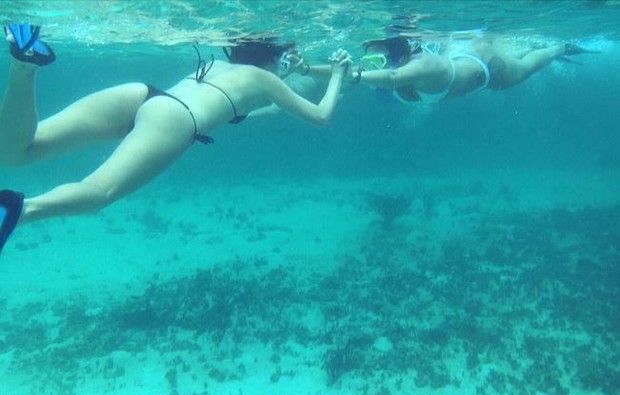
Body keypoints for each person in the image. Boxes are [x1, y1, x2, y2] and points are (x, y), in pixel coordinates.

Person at [0, 23, 352, 254]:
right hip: (175, 120)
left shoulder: (220, 65)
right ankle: (21, 209)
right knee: (97, 194)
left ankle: (24, 65)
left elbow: (247, 108)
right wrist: (338, 74)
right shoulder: (265, 81)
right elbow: (321, 115)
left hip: (141, 95)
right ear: (277, 57)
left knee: (18, 152)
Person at [299, 35, 595, 104]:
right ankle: (518, 47)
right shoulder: (392, 65)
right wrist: (305, 68)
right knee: (513, 54)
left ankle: (561, 47)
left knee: (525, 68)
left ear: (398, 56)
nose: (369, 67)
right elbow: (344, 72)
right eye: (370, 62)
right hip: (462, 53)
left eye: (378, 60)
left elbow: (391, 78)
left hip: (486, 70)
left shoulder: (423, 64)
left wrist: (359, 74)